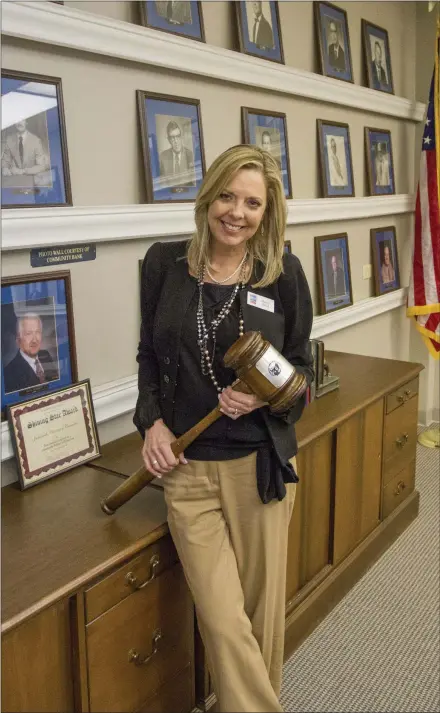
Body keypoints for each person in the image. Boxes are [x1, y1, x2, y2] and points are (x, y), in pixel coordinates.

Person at [134, 144, 314, 712]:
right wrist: (152, 424)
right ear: (208, 196)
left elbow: (301, 370)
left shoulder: (280, 273)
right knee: (221, 617)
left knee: (260, 621)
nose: (236, 212)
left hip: (256, 467)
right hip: (186, 470)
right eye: (227, 196)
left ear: (268, 211)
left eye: (252, 203)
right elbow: (146, 355)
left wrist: (264, 396)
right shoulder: (163, 263)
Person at [3, 313, 58, 394]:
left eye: (38, 332)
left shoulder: (45, 355)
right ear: (18, 339)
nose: (34, 340)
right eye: (28, 333)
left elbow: (55, 384)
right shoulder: (8, 373)